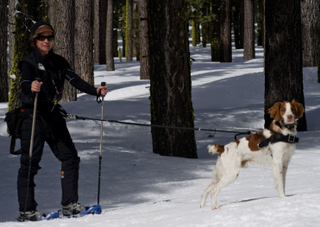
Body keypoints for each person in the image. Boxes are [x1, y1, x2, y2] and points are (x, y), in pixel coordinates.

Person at [16, 21, 107, 221]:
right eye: (42, 38)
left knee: (70, 158)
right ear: (35, 40)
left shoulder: (59, 61)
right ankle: (27, 211)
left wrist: (95, 91)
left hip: (53, 116)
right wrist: (31, 87)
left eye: (49, 37)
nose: (46, 41)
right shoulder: (29, 62)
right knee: (29, 164)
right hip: (33, 117)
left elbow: (74, 79)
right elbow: (24, 82)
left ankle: (69, 204)